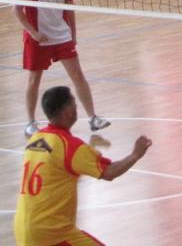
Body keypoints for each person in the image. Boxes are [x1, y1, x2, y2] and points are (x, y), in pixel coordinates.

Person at [14, 85, 152, 246]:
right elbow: (109, 172)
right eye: (74, 104)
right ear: (66, 111)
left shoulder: (35, 139)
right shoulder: (69, 146)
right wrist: (135, 155)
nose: (76, 108)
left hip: (22, 229)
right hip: (51, 233)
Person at [13, 0, 111, 137]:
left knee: (78, 75)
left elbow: (69, 7)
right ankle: (30, 123)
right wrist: (34, 33)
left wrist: (72, 34)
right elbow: (17, 10)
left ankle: (93, 118)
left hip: (61, 34)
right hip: (38, 37)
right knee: (34, 78)